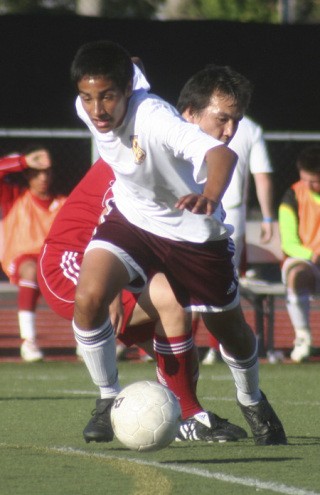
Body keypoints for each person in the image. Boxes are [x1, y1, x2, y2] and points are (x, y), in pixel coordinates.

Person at [71, 40, 287, 446]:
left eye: (107, 97)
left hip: (194, 235)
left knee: (230, 330)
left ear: (125, 92)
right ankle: (106, 398)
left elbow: (223, 157)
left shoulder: (155, 119)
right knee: (89, 297)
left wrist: (210, 196)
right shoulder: (92, 103)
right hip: (134, 219)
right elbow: (130, 65)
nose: (97, 109)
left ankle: (252, 399)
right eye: (88, 98)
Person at [38, 156, 247, 443]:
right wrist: (109, 286)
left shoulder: (172, 150)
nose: (224, 133)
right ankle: (111, 401)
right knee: (171, 300)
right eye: (220, 120)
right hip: (72, 259)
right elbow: (110, 214)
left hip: (126, 264)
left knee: (181, 358)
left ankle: (185, 417)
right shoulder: (143, 147)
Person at [177, 93, 274, 365]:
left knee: (189, 282)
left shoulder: (186, 123)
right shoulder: (251, 128)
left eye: (235, 119)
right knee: (219, 285)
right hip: (221, 211)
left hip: (205, 208)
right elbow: (262, 177)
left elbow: (262, 176)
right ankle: (212, 349)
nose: (229, 128)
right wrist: (267, 218)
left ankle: (188, 348)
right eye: (224, 118)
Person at [0, 146, 66, 361]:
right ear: (28, 175)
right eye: (37, 172)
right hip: (22, 258)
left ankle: (90, 341)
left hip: (54, 259)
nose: (43, 177)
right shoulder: (14, 197)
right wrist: (25, 161)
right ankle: (29, 341)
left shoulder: (64, 202)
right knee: (31, 271)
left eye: (47, 172)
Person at [279, 145, 320, 363]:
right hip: (306, 260)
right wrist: (312, 254)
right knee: (297, 275)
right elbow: (289, 243)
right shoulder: (292, 195)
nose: (308, 185)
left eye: (314, 180)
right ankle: (303, 338)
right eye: (305, 179)